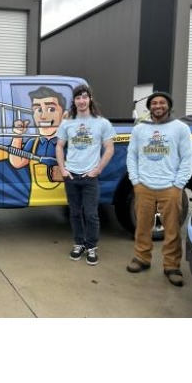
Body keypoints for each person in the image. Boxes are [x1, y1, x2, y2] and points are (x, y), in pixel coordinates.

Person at [125, 91, 192, 286]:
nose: (158, 106)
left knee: (172, 230)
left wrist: (178, 185)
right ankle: (142, 258)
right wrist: (135, 181)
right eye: (154, 103)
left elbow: (187, 158)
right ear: (149, 107)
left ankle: (171, 266)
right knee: (142, 227)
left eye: (162, 102)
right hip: (144, 186)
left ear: (169, 106)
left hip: (170, 188)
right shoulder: (140, 129)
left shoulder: (181, 128)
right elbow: (132, 155)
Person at [55, 84, 115, 265]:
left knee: (91, 214)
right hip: (71, 176)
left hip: (90, 177)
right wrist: (63, 170)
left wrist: (97, 170)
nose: (81, 101)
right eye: (78, 97)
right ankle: (79, 243)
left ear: (90, 99)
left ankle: (91, 246)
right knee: (74, 213)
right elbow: (59, 146)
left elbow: (109, 148)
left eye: (84, 97)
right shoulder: (67, 122)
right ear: (74, 101)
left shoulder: (102, 123)